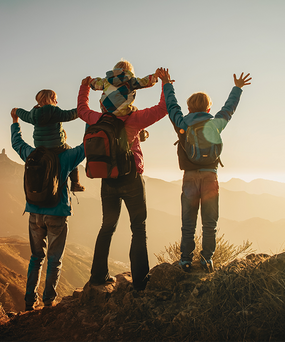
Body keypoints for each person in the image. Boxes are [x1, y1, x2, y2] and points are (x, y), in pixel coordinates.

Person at [78, 68, 168, 291]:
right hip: (131, 179)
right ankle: (139, 281)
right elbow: (163, 109)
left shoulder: (98, 118)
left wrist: (84, 87)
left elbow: (82, 110)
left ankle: (98, 276)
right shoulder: (134, 119)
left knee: (106, 227)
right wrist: (165, 84)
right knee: (138, 227)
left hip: (108, 180)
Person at [157, 68, 252, 273]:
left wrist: (166, 83)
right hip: (210, 176)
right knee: (210, 223)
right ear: (209, 107)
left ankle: (185, 260)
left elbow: (172, 106)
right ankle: (207, 260)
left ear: (189, 107)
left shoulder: (182, 124)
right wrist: (237, 88)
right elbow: (229, 109)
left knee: (188, 223)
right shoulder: (214, 124)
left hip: (190, 177)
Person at [10, 107, 86, 310]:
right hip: (57, 214)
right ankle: (48, 301)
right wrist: (89, 119)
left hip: (34, 213)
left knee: (36, 258)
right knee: (54, 259)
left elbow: (16, 143)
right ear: (59, 132)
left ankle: (28, 301)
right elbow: (85, 146)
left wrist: (15, 122)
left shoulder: (31, 154)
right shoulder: (66, 157)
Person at [15, 89, 85, 192]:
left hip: (40, 147)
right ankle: (76, 183)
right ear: (50, 99)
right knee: (72, 156)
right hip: (57, 146)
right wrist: (82, 110)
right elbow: (69, 115)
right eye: (55, 99)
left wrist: (16, 111)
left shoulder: (33, 114)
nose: (57, 102)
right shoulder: (55, 111)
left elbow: (24, 115)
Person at [90, 59, 157, 140]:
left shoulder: (106, 80)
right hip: (123, 112)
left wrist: (90, 81)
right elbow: (145, 81)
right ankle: (141, 132)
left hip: (106, 111)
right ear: (130, 72)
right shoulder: (131, 81)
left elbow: (95, 84)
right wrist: (155, 76)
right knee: (135, 110)